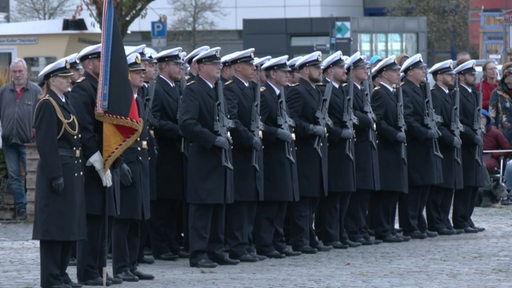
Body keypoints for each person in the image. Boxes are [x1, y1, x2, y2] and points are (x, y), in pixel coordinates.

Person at [179, 47, 239, 268]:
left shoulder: (217, 89)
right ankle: (198, 252)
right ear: (202, 67)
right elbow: (186, 123)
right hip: (204, 155)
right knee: (202, 207)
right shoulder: (193, 90)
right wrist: (212, 140)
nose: (219, 67)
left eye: (219, 64)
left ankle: (216, 249)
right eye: (214, 65)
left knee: (218, 204)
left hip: (219, 157)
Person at [67, 44, 118, 286]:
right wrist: (96, 157)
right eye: (100, 60)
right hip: (89, 164)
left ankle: (99, 269)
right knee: (91, 219)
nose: (104, 65)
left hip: (104, 161)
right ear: (89, 64)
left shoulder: (100, 89)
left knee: (101, 219)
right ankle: (87, 272)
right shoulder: (82, 90)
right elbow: (84, 129)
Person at [32, 58, 85, 288]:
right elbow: (46, 144)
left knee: (67, 225)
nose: (68, 80)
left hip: (71, 170)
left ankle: (62, 273)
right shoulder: (47, 104)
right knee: (54, 227)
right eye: (64, 77)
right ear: (53, 80)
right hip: (58, 171)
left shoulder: (64, 101)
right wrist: (55, 175)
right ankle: (51, 277)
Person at [111, 53, 154, 282]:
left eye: (142, 71)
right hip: (126, 162)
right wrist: (120, 163)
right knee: (124, 218)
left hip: (141, 161)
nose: (142, 75)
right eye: (137, 72)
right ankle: (120, 266)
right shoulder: (121, 99)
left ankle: (133, 264)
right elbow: (115, 134)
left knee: (138, 216)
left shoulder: (140, 96)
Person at [254, 55, 300, 258]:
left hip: (284, 153)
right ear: (273, 74)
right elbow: (260, 124)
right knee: (272, 201)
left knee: (282, 200)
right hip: (271, 153)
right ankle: (266, 242)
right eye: (284, 72)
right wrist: (275, 133)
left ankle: (278, 240)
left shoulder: (280, 94)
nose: (288, 75)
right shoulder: (264, 95)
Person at [285, 51, 331, 254]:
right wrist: (310, 129)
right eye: (316, 68)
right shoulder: (297, 91)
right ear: (305, 70)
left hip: (316, 151)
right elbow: (292, 119)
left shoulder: (314, 90)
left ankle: (309, 235)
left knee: (313, 198)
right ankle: (300, 238)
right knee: (304, 199)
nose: (320, 71)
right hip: (304, 150)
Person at [223, 48, 264, 262]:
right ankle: (237, 245)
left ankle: (247, 242)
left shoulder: (253, 88)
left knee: (251, 199)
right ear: (237, 66)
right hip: (240, 151)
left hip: (253, 153)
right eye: (249, 65)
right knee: (241, 201)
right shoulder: (231, 89)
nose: (253, 68)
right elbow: (233, 120)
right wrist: (249, 138)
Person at [399, 53, 443, 239]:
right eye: (420, 69)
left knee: (424, 184)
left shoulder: (421, 88)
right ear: (410, 72)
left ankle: (418, 220)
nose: (424, 72)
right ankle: (410, 224)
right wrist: (425, 133)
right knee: (415, 186)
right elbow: (408, 118)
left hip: (425, 144)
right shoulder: (406, 90)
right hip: (415, 144)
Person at [315, 51, 356, 248]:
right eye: (341, 68)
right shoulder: (325, 90)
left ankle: (340, 231)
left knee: (344, 195)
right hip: (333, 149)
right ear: (330, 70)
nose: (345, 71)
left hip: (345, 149)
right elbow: (324, 120)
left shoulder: (341, 90)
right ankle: (330, 233)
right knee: (333, 197)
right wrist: (339, 133)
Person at [150, 47, 187, 261]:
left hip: (177, 152)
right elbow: (153, 119)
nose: (180, 68)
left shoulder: (176, 88)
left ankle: (172, 242)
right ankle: (160, 245)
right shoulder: (158, 88)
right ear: (164, 66)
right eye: (176, 65)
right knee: (163, 202)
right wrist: (177, 130)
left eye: (181, 65)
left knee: (175, 201)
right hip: (164, 151)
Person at [343, 52, 381, 245]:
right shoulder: (349, 89)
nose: (366, 71)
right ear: (351, 71)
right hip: (357, 146)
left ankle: (362, 228)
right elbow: (353, 113)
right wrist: (367, 119)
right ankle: (354, 229)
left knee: (364, 192)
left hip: (366, 145)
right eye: (362, 68)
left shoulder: (362, 89)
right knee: (358, 193)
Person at [370, 55, 408, 242]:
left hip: (394, 149)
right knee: (386, 192)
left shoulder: (391, 93)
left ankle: (389, 227)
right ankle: (382, 228)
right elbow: (378, 121)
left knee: (393, 191)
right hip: (385, 148)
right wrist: (394, 134)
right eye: (394, 71)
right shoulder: (379, 93)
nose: (398, 74)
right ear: (384, 73)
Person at [0, 58, 41, 220]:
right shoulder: (4, 91)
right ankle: (22, 209)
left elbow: (42, 116)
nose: (17, 75)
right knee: (14, 176)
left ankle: (34, 209)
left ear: (26, 72)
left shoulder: (36, 91)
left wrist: (35, 131)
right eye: (15, 71)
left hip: (29, 144)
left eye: (20, 71)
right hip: (9, 142)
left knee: (33, 176)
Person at [426, 60, 463, 235]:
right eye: (449, 75)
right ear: (439, 76)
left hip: (450, 144)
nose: (452, 77)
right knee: (440, 186)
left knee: (449, 184)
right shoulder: (435, 95)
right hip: (441, 145)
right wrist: (450, 138)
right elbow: (437, 123)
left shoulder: (449, 94)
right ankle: (436, 221)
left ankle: (443, 218)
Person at [452, 59, 488, 233]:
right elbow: (457, 120)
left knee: (474, 183)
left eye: (474, 74)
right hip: (465, 144)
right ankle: (460, 218)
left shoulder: (473, 93)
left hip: (474, 142)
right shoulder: (457, 94)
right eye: (470, 74)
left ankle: (467, 217)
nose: (474, 76)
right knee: (465, 183)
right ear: (461, 76)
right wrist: (471, 135)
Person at [489, 62, 512, 143]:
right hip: (504, 135)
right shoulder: (497, 93)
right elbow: (492, 116)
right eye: (509, 74)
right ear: (505, 76)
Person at [482, 109, 510, 173]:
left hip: (490, 158)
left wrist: (494, 154)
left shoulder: (495, 132)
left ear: (487, 119)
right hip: (475, 157)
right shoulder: (473, 132)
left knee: (482, 165)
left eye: (482, 118)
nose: (480, 120)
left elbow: (507, 149)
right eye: (478, 118)